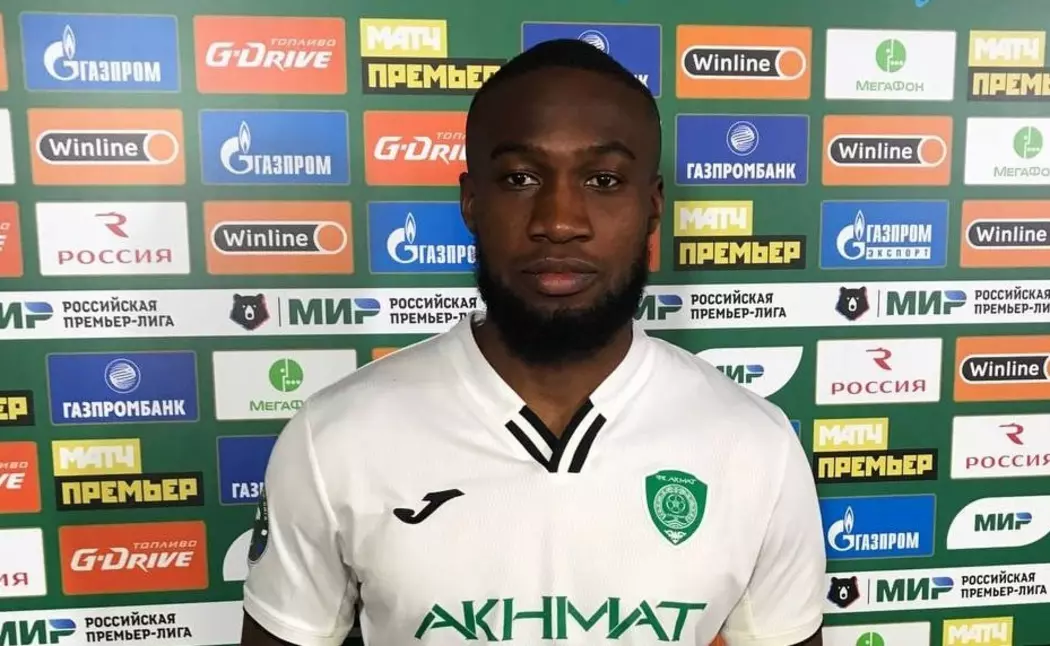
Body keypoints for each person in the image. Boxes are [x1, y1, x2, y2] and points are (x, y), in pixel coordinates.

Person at [239, 38, 826, 646]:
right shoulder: (335, 438)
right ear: (471, 202)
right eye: (520, 178)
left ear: (652, 207)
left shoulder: (754, 446)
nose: (560, 221)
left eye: (603, 179)